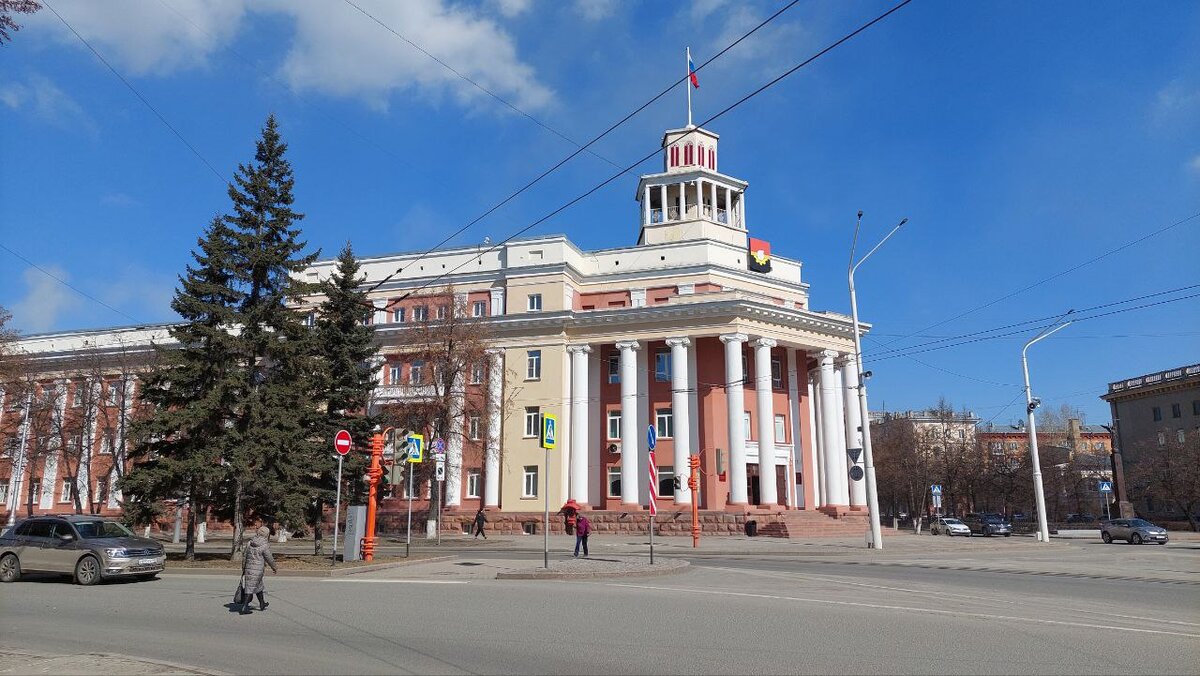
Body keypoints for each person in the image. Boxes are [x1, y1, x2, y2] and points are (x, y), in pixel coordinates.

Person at [239, 526, 277, 615]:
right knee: (250, 589)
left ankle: (262, 603)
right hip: (258, 570)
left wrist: (243, 568)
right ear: (267, 535)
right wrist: (274, 567)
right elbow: (269, 558)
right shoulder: (264, 545)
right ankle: (244, 607)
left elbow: (244, 556)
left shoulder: (250, 543)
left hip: (248, 569)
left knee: (258, 586)